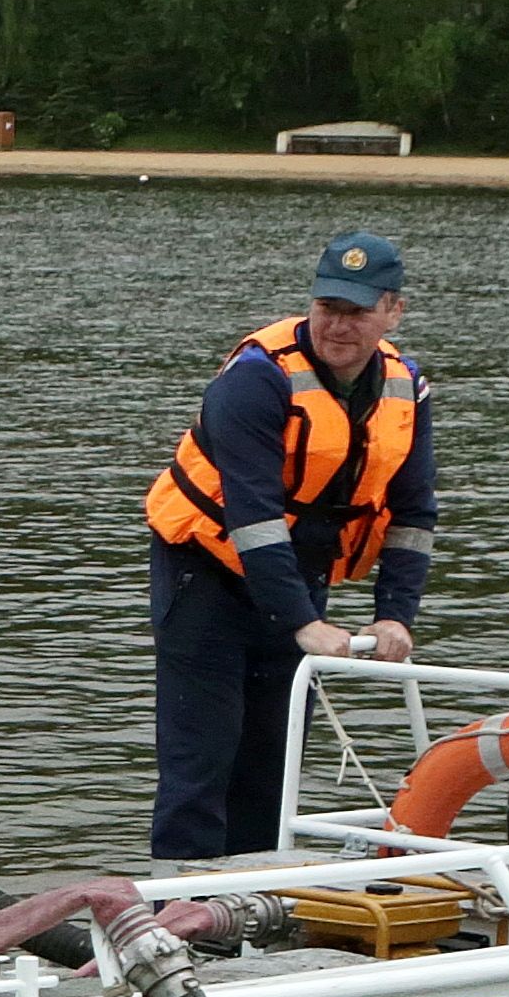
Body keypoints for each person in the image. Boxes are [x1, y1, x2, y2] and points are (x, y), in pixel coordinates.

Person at [142, 231, 438, 859]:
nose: (338, 325)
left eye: (358, 312)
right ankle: (182, 922)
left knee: (271, 768)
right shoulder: (256, 380)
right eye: (328, 307)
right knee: (202, 764)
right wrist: (302, 621)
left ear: (393, 312)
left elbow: (413, 513)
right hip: (208, 578)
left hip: (300, 578)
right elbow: (253, 517)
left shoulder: (404, 387)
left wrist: (395, 612)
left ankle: (245, 913)